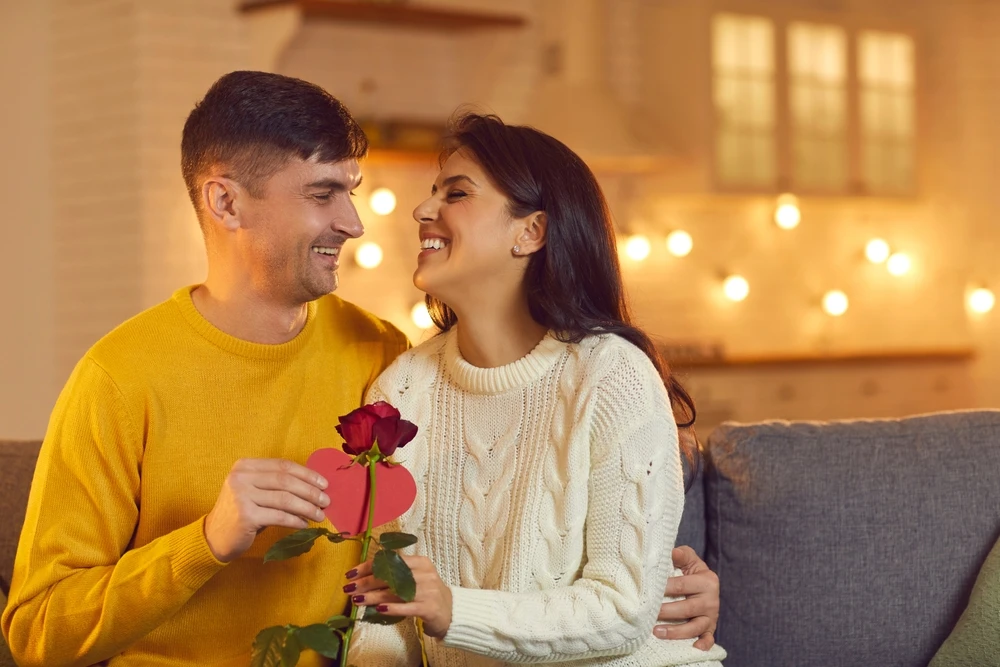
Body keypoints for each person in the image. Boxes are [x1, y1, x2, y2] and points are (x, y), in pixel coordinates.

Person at [1, 72, 717, 666]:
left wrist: (662, 582)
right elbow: (35, 633)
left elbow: (458, 563)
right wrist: (206, 542)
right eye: (323, 194)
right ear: (225, 201)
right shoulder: (119, 379)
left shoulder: (380, 360)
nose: (356, 222)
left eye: (352, 189)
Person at [346, 114, 727, 666]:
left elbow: (623, 609)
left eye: (457, 193)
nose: (422, 210)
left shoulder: (611, 375)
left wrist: (455, 609)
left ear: (531, 231)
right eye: (433, 193)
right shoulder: (401, 390)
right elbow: (385, 609)